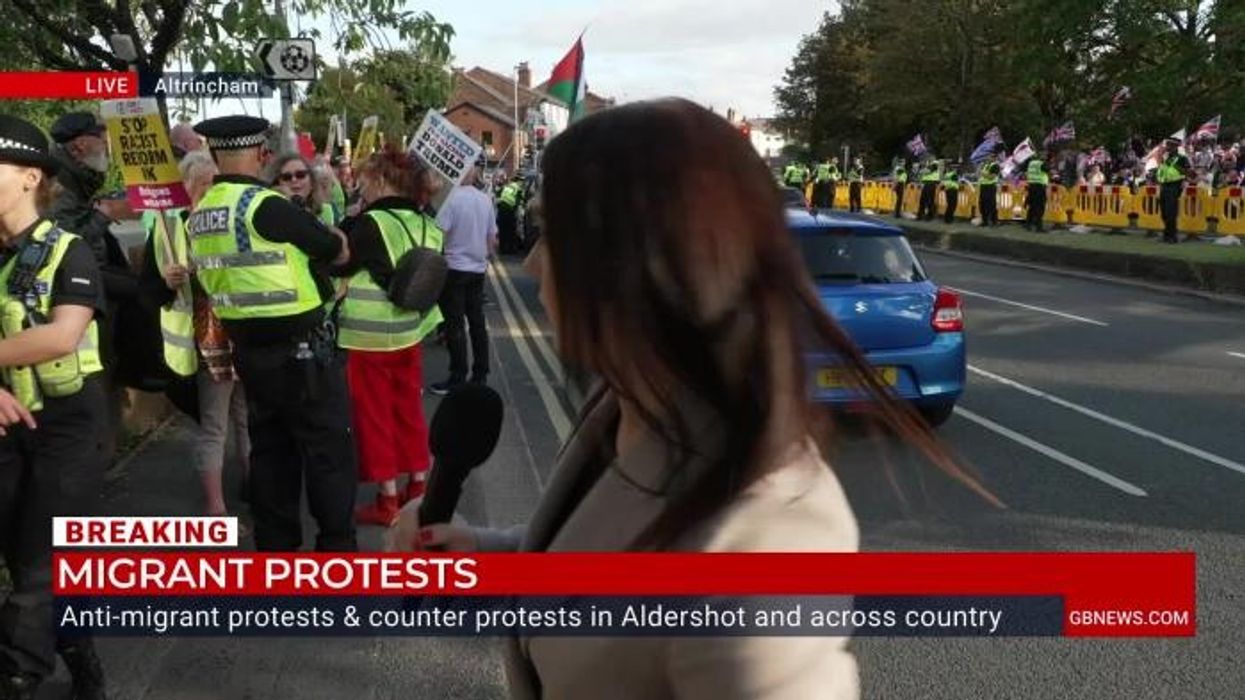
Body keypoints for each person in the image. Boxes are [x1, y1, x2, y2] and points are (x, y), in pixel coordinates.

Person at [392, 98, 990, 699]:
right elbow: (601, 561)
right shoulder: (627, 401)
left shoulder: (765, 542)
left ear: (642, 262)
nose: (532, 265)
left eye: (555, 236)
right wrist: (482, 555)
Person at [189, 115, 357, 552]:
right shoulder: (265, 206)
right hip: (303, 352)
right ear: (264, 155)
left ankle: (276, 550)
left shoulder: (201, 214)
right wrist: (336, 240)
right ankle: (336, 550)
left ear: (213, 156)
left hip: (250, 352)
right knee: (327, 454)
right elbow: (334, 250)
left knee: (270, 451)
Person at [0, 115, 110, 700]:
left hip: (67, 427)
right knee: (26, 558)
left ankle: (19, 673)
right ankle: (76, 647)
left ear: (29, 177)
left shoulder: (68, 250)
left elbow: (62, 335)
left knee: (43, 559)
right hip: (6, 422)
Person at [334, 147, 444, 526]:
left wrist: (347, 221)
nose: (361, 187)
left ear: (381, 180)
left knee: (374, 416)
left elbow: (341, 264)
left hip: (367, 336)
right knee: (409, 410)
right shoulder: (428, 223)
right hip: (410, 332)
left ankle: (388, 500)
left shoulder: (370, 223)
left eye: (365, 181)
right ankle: (418, 486)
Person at [138, 151, 250, 520]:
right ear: (184, 189)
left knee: (245, 417)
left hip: (242, 334)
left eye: (212, 184)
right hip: (205, 340)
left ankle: (253, 487)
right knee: (216, 424)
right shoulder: (168, 230)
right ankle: (216, 506)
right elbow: (148, 292)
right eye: (200, 185)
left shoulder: (229, 220)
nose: (207, 191)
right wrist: (167, 282)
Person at [46, 111, 139, 461]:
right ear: (80, 145)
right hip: (78, 294)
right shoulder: (59, 183)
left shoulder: (78, 178)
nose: (106, 146)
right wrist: (103, 216)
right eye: (101, 138)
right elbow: (62, 242)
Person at [429, 165, 497, 394]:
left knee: (455, 325)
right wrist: (484, 259)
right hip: (478, 269)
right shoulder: (485, 199)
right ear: (474, 173)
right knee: (477, 323)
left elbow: (440, 235)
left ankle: (458, 376)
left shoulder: (451, 200)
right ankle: (480, 375)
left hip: (454, 268)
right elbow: (491, 238)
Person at [270, 153, 335, 227]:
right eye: (286, 177)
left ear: (312, 182)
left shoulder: (325, 210)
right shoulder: (272, 211)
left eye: (300, 175)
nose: (294, 180)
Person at [1156, 138, 1193, 244]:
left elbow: (1189, 172)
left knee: (1171, 213)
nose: (1168, 147)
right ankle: (1167, 234)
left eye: (1171, 145)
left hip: (1174, 186)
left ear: (1176, 147)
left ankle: (1172, 236)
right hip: (1164, 186)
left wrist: (1184, 181)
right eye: (1168, 145)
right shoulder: (1165, 158)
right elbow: (1162, 172)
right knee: (1164, 213)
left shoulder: (1182, 158)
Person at [496, 175, 524, 254]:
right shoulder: (518, 188)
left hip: (501, 210)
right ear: (518, 181)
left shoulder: (506, 186)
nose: (522, 183)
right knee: (511, 230)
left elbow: (498, 195)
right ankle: (511, 249)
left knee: (503, 230)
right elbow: (519, 201)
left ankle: (502, 249)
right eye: (521, 181)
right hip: (510, 211)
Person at [1023, 154, 1050, 232]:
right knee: (1040, 207)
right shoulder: (1041, 164)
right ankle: (1039, 227)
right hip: (1039, 187)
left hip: (1031, 186)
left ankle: (1028, 224)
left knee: (1032, 206)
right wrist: (1047, 162)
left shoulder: (1031, 163)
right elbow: (1047, 169)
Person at [978, 150, 1001, 227]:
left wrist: (982, 173)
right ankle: (985, 221)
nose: (988, 158)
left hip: (990, 187)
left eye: (991, 157)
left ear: (994, 158)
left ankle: (994, 221)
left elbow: (991, 177)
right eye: (988, 156)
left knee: (991, 205)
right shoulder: (986, 165)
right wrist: (981, 172)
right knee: (983, 205)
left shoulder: (995, 166)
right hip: (983, 187)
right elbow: (980, 175)